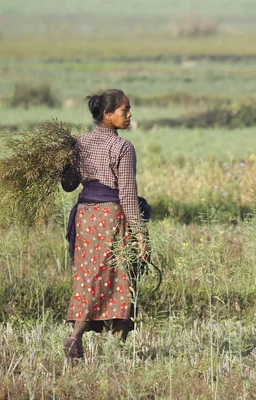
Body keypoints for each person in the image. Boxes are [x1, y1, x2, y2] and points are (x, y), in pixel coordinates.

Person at [61, 89, 150, 360]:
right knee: (120, 277)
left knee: (89, 278)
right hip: (111, 218)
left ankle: (75, 335)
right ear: (107, 115)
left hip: (85, 217)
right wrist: (140, 235)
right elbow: (126, 195)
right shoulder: (122, 147)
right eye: (125, 110)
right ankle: (118, 351)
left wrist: (63, 160)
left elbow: (68, 186)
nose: (129, 114)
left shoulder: (80, 143)